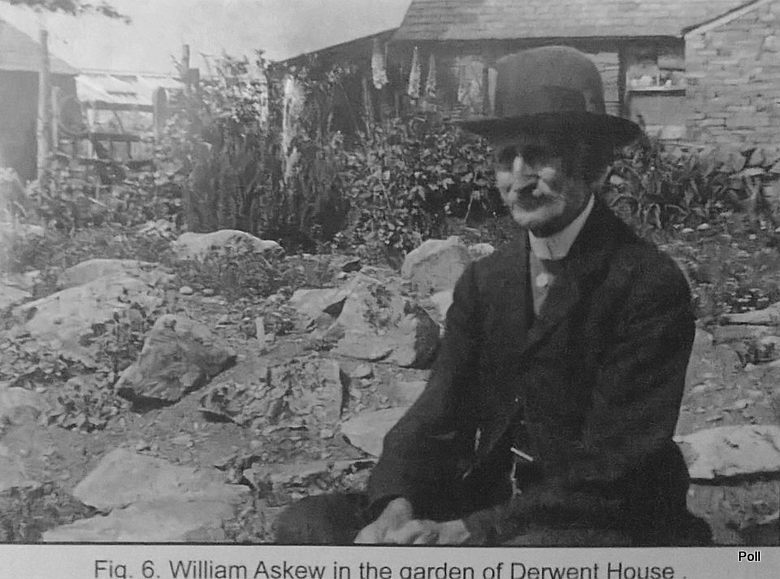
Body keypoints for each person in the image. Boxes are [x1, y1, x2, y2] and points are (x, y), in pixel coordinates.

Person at [274, 45, 711, 546]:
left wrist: (473, 529)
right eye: (506, 159)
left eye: (539, 156)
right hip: (491, 500)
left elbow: (617, 462)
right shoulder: (486, 281)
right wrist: (398, 503)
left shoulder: (646, 283)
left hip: (602, 514)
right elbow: (438, 413)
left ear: (592, 166)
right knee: (309, 524)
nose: (519, 180)